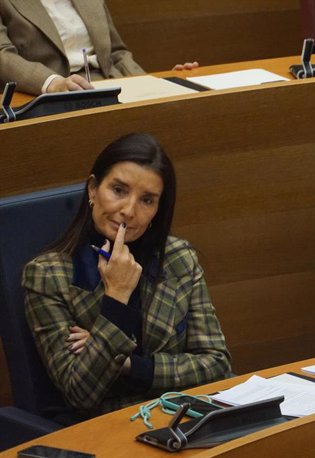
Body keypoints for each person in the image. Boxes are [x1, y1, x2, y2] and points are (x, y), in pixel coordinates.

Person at [23, 133, 232, 419]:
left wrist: (129, 365)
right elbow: (80, 392)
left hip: (185, 415)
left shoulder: (178, 258)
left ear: (158, 210)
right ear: (93, 189)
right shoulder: (48, 275)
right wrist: (117, 296)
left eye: (147, 200)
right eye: (119, 190)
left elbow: (217, 364)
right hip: (106, 428)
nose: (129, 211)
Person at [0, 0, 198, 95]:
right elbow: (3, 54)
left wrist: (154, 85)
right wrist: (53, 83)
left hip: (109, 85)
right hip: (48, 94)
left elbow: (117, 53)